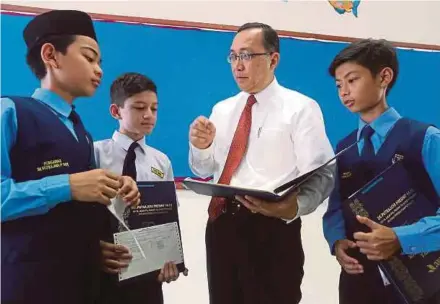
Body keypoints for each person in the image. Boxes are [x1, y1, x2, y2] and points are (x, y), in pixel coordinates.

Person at [188, 22, 335, 304]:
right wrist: (201, 147)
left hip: (270, 228)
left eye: (246, 55)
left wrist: (293, 207)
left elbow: (323, 172)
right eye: (233, 56)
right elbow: (204, 171)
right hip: (221, 225)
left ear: (273, 59)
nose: (237, 65)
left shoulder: (301, 108)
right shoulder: (222, 109)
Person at [0, 10, 139, 304]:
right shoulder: (10, 113)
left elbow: (74, 210)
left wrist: (95, 244)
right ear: (51, 55)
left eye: (100, 62)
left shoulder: (82, 133)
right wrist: (67, 186)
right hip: (28, 286)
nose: (99, 69)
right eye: (89, 58)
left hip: (82, 284)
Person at [322, 38, 440, 304]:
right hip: (359, 282)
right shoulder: (344, 147)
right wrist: (337, 241)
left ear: (384, 76)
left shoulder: (425, 138)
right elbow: (336, 208)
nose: (344, 92)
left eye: (352, 80)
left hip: (422, 282)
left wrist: (401, 237)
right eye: (339, 85)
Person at [95, 72, 184, 304]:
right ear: (116, 111)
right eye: (139, 108)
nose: (148, 115)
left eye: (154, 109)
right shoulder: (94, 153)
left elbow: (168, 215)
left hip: (147, 274)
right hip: (104, 268)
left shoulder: (161, 161)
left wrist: (171, 259)